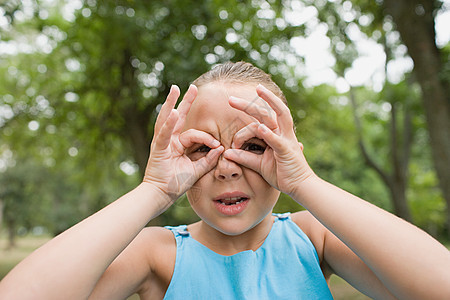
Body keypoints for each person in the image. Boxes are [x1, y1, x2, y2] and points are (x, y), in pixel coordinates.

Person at [0, 61, 449, 300]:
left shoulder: (313, 239)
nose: (227, 167)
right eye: (202, 149)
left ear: (287, 152)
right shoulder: (157, 255)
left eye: (252, 146)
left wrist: (305, 182)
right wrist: (153, 190)